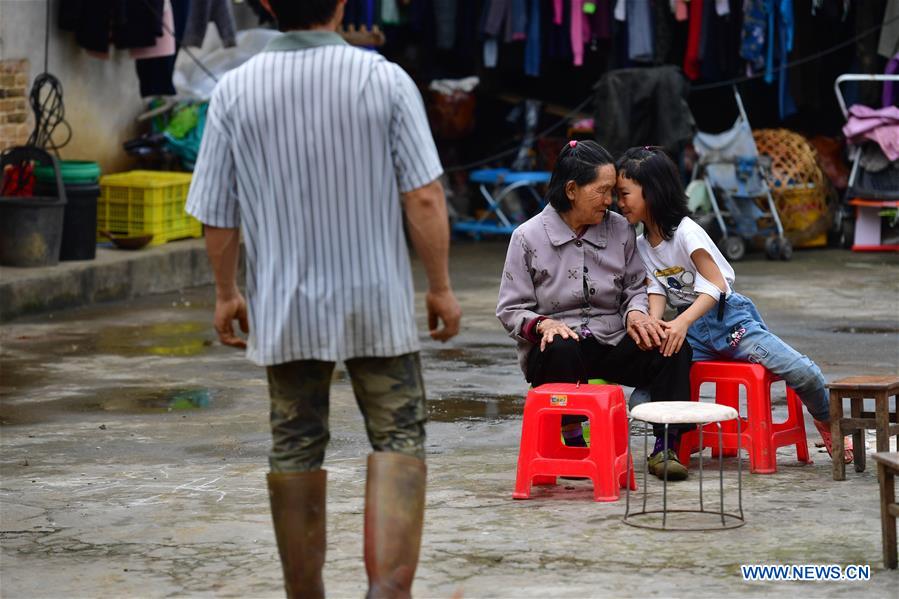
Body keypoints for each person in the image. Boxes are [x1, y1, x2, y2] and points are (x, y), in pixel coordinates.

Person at [185, 1, 463, 597]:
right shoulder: (384, 79)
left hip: (286, 310)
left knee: (295, 442)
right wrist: (439, 286)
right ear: (341, 4)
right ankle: (387, 591)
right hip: (378, 305)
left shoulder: (235, 91)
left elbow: (217, 212)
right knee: (398, 436)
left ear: (265, 4)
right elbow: (424, 196)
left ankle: (304, 593)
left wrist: (227, 292)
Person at [615, 146, 853, 464]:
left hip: (732, 324)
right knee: (643, 398)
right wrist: (656, 322)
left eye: (624, 193)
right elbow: (656, 287)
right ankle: (690, 433)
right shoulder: (642, 244)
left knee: (805, 374)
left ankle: (829, 423)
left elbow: (716, 283)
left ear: (652, 191)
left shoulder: (687, 233)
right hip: (693, 331)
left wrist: (681, 323)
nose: (619, 202)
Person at [496, 140, 695, 481]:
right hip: (559, 349)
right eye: (602, 191)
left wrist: (636, 314)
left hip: (611, 339)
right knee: (561, 345)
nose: (610, 200)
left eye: (613, 191)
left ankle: (666, 445)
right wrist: (542, 325)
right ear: (572, 190)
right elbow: (511, 309)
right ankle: (572, 438)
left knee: (673, 345)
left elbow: (635, 286)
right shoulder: (527, 237)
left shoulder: (619, 228)